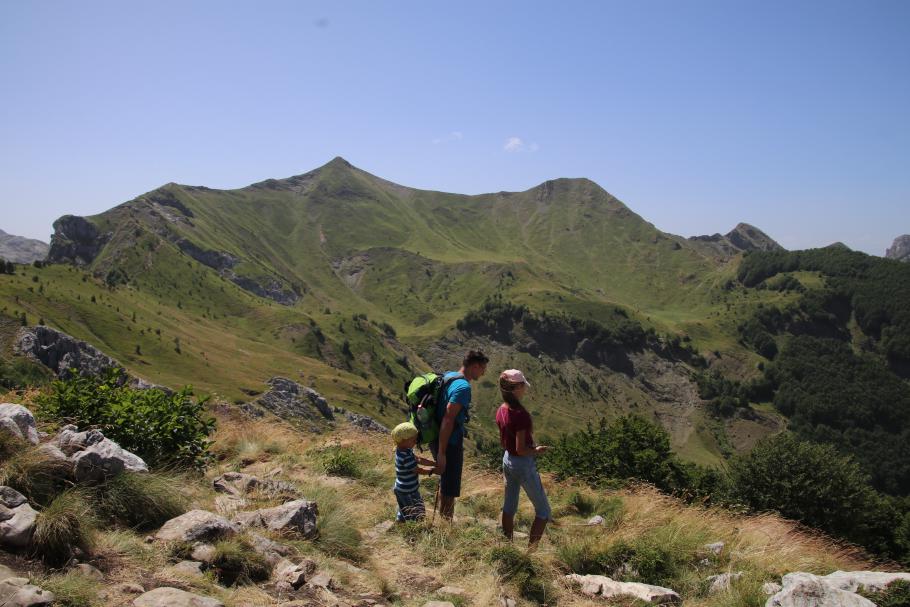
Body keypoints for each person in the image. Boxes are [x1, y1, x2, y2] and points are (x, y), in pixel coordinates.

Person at [495, 369, 551, 551]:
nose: (525, 390)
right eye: (523, 386)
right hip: (521, 464)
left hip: (507, 459)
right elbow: (521, 449)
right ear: (517, 388)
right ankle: (530, 554)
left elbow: (507, 442)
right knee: (543, 511)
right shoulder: (521, 415)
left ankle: (508, 547)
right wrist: (536, 450)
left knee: (509, 506)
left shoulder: (501, 410)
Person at [431, 349, 489, 520]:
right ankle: (445, 529)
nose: (483, 373)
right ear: (475, 366)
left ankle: (443, 522)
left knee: (445, 483)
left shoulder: (449, 376)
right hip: (449, 443)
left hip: (436, 437)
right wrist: (442, 453)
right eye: (482, 369)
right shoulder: (463, 386)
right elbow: (449, 418)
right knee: (450, 489)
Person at [392, 422, 435, 522]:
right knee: (417, 512)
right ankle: (414, 531)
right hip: (408, 491)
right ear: (404, 440)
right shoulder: (405, 456)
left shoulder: (405, 450)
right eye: (413, 440)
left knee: (404, 510)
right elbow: (417, 470)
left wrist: (434, 463)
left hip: (402, 489)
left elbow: (418, 459)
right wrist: (433, 471)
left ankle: (400, 524)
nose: (415, 442)